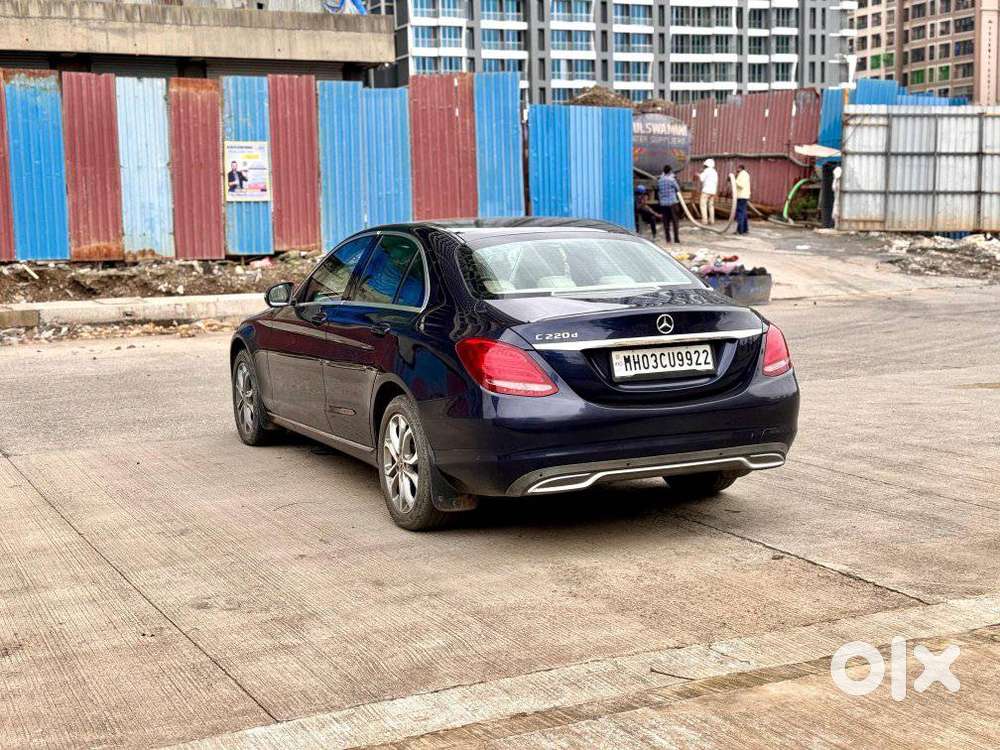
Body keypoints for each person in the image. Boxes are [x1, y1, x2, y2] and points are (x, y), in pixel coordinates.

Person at [656, 164, 681, 244]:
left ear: (663, 171)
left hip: (663, 204)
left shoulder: (660, 180)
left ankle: (668, 239)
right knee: (675, 222)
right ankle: (676, 239)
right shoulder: (672, 180)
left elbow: (658, 190)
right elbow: (678, 189)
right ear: (670, 171)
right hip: (672, 203)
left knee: (666, 222)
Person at [697, 158, 718, 225]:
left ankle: (704, 221)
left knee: (703, 205)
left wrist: (698, 174)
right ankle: (712, 221)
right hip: (713, 191)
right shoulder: (715, 172)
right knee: (711, 206)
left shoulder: (706, 171)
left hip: (706, 191)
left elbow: (701, 179)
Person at [734, 164, 751, 235]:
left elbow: (741, 185)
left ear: (740, 168)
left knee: (740, 213)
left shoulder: (742, 174)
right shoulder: (746, 174)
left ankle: (740, 230)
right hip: (744, 196)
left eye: (737, 168)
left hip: (741, 196)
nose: (736, 170)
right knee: (744, 213)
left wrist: (734, 180)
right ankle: (745, 229)